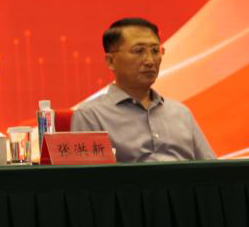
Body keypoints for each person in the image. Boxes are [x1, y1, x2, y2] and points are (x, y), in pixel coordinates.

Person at [71, 17, 214, 162]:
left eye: (155, 51)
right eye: (138, 51)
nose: (150, 61)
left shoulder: (181, 113)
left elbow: (212, 168)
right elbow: (87, 174)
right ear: (111, 61)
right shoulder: (90, 115)